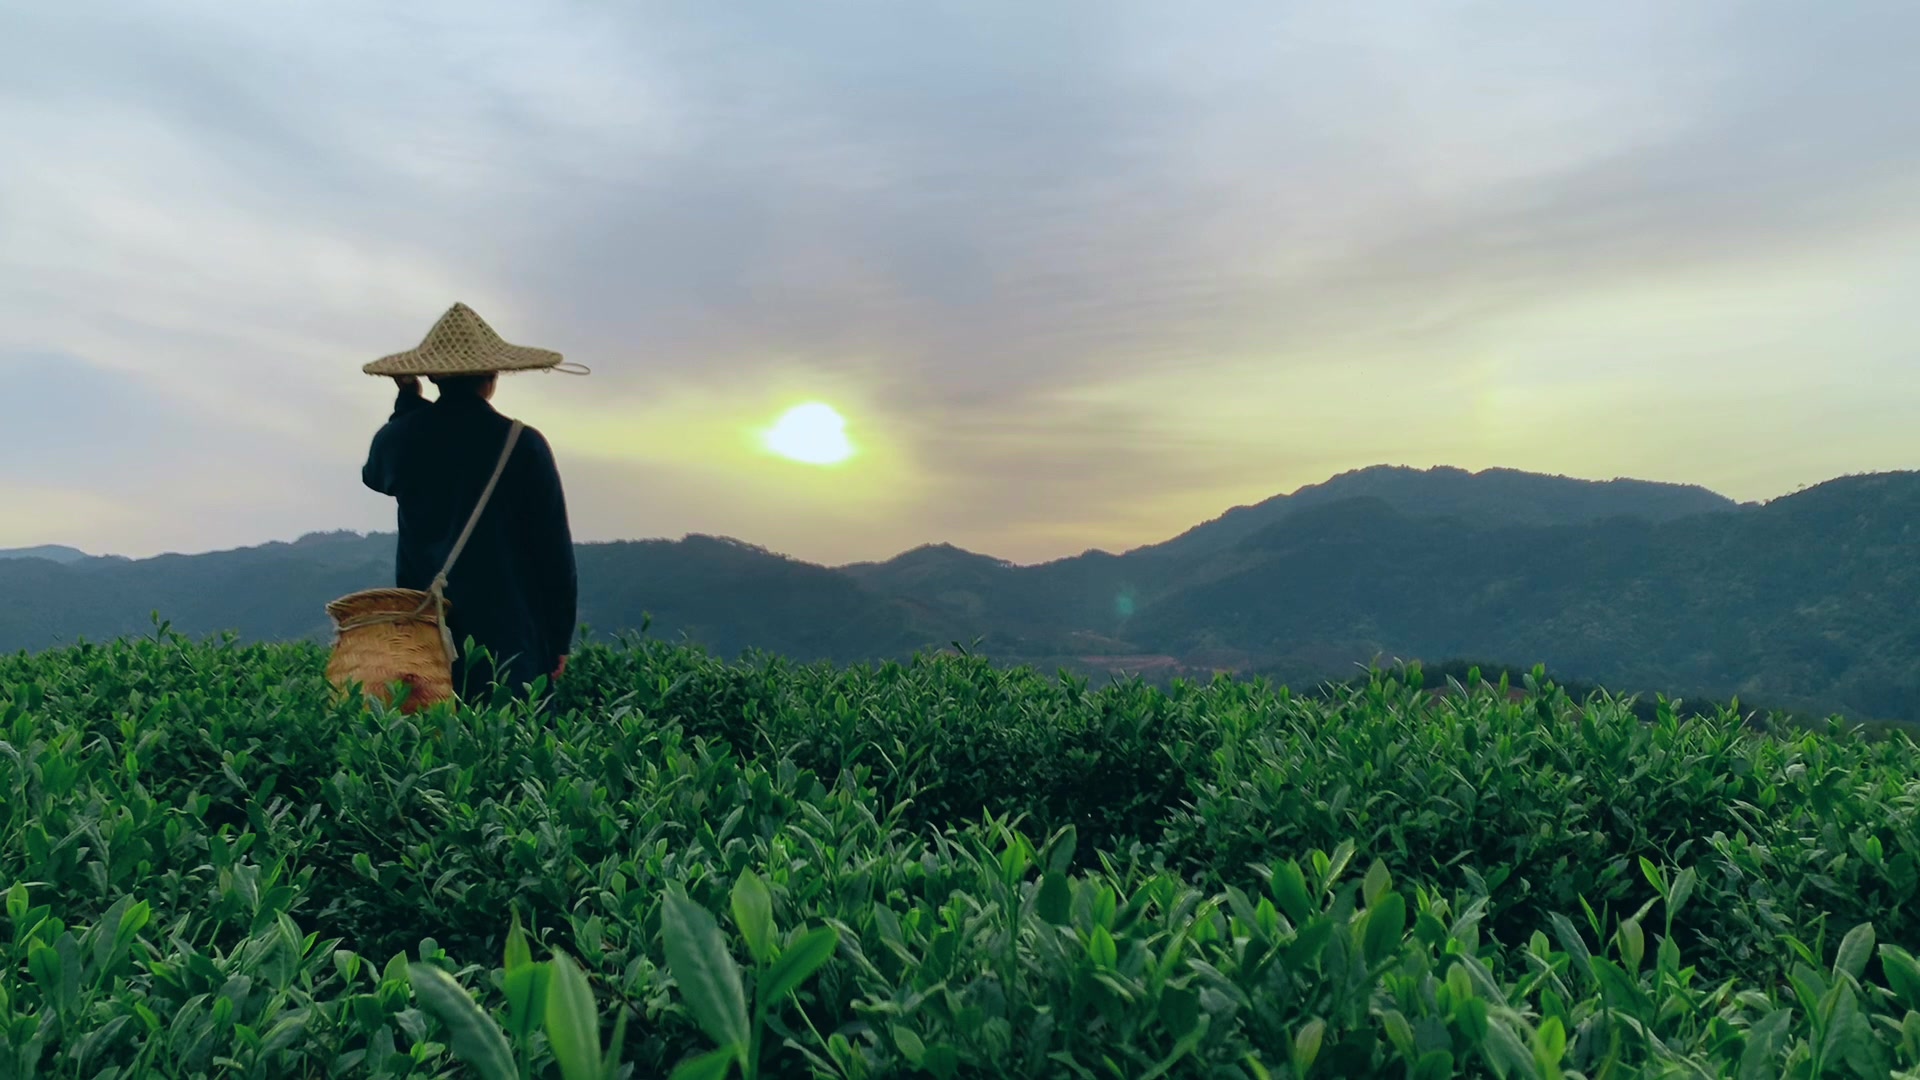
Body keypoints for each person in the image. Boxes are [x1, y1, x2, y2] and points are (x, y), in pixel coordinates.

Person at [359, 304, 579, 697]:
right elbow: (553, 552)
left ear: (432, 376)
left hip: (425, 634)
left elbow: (376, 476)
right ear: (492, 377)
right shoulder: (522, 444)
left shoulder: (399, 439)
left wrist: (408, 402)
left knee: (429, 741)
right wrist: (558, 638)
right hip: (509, 638)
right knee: (513, 744)